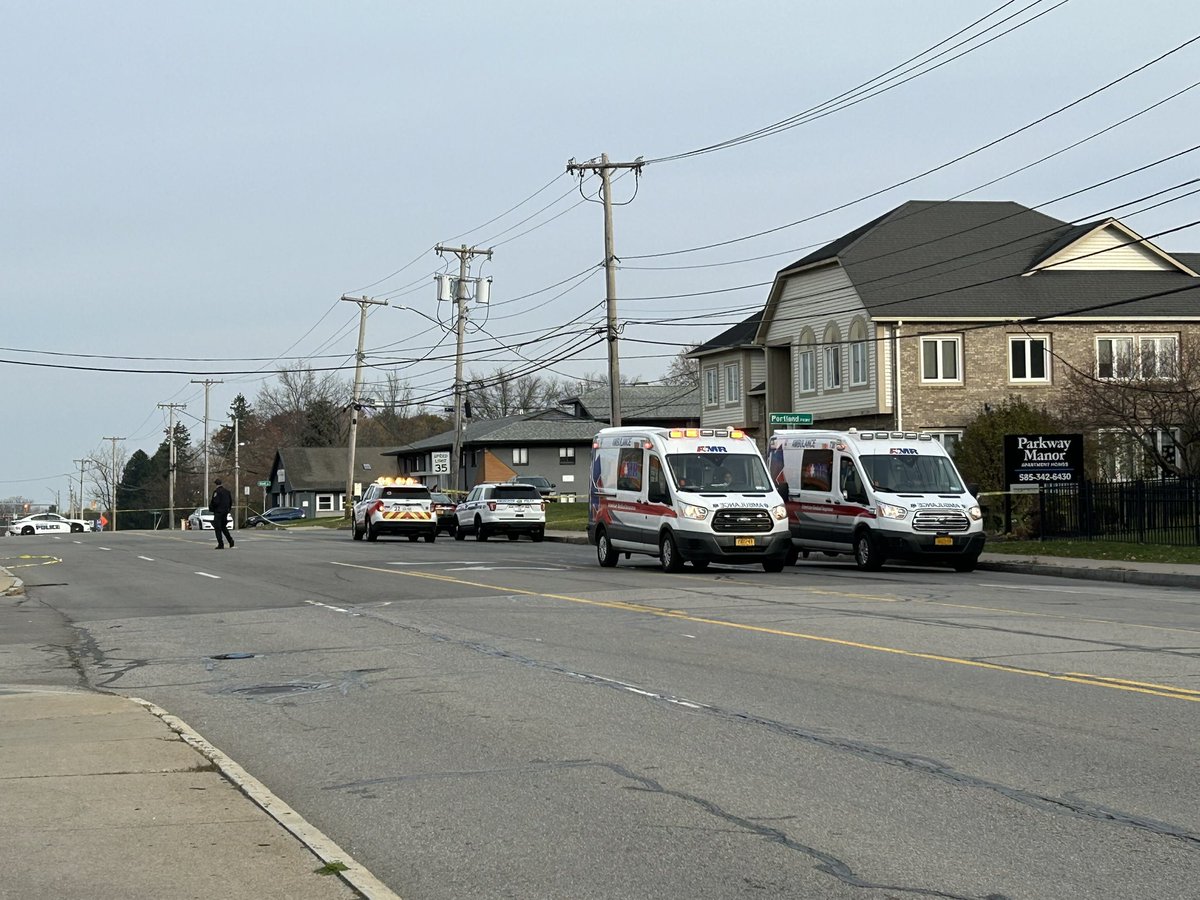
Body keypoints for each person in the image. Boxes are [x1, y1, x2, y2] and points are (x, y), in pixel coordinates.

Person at [210, 479, 235, 549]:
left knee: (218, 528)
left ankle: (220, 544)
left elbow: (215, 502)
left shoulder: (216, 492)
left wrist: (212, 507)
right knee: (224, 527)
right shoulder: (227, 492)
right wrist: (228, 510)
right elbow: (230, 502)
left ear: (216, 484)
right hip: (225, 512)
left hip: (218, 512)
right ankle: (230, 540)